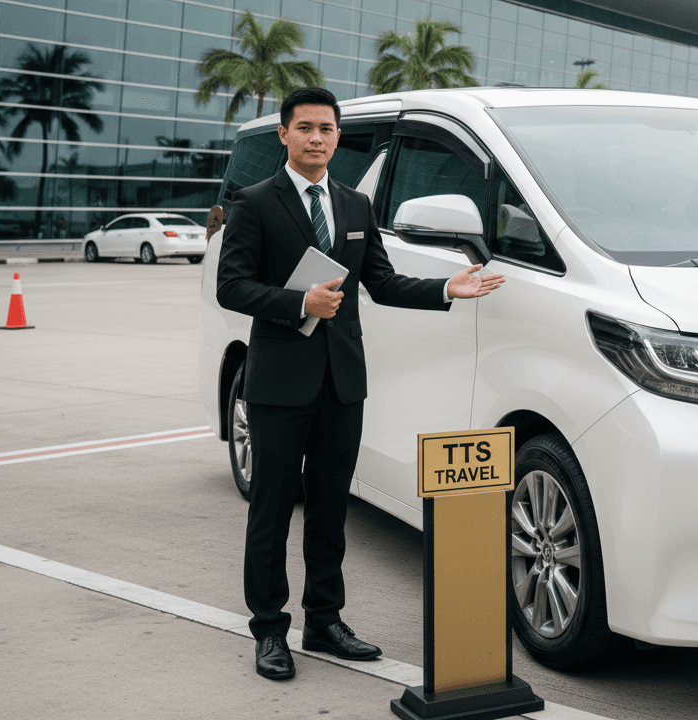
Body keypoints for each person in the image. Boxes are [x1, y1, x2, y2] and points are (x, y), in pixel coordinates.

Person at [216, 86, 504, 681]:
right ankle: (270, 629)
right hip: (277, 385)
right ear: (285, 136)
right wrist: (300, 301)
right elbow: (233, 286)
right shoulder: (253, 202)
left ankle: (325, 619)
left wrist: (448, 289)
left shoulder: (353, 206)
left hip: (342, 384)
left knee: (329, 508)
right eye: (305, 128)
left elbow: (383, 281)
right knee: (271, 509)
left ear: (337, 137)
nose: (316, 138)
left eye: (326, 128)